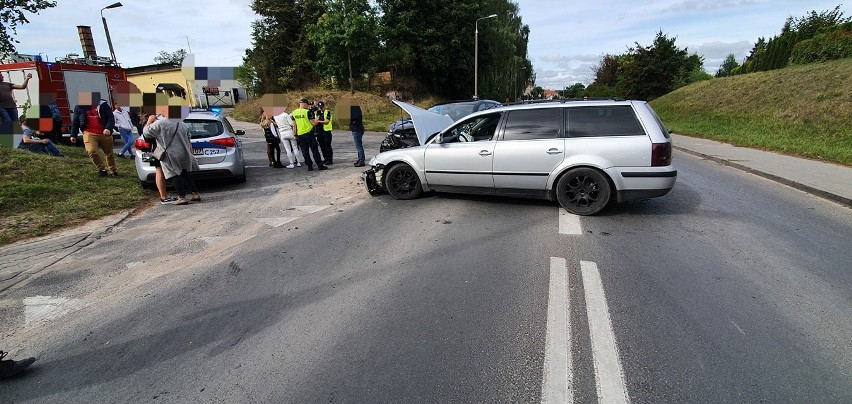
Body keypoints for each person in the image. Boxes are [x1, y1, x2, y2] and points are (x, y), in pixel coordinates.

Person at [142, 112, 200, 205]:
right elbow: (188, 137)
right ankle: (195, 193)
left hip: (170, 153)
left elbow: (146, 133)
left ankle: (181, 197)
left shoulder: (160, 124)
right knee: (185, 173)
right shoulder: (182, 123)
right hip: (183, 152)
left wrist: (149, 121)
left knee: (175, 174)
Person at [70, 92, 117, 177]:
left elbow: (111, 118)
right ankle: (102, 169)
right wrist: (73, 135)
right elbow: (76, 122)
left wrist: (108, 128)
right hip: (89, 132)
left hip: (104, 133)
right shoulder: (79, 107)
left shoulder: (104, 105)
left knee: (109, 153)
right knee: (91, 151)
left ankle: (113, 170)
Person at [291, 98, 327, 171]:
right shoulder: (307, 112)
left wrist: (294, 134)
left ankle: (309, 166)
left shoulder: (294, 113)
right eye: (307, 104)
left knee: (305, 152)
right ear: (304, 104)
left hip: (300, 134)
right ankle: (320, 165)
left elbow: (294, 125)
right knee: (314, 150)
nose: (307, 106)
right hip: (309, 133)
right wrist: (317, 119)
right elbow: (314, 123)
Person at [315, 101, 334, 165]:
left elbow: (326, 121)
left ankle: (329, 159)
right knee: (322, 146)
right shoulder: (316, 112)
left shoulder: (327, 112)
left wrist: (318, 121)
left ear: (324, 106)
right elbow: (315, 120)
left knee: (327, 146)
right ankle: (325, 158)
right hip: (319, 131)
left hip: (326, 131)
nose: (320, 108)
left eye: (322, 107)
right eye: (319, 107)